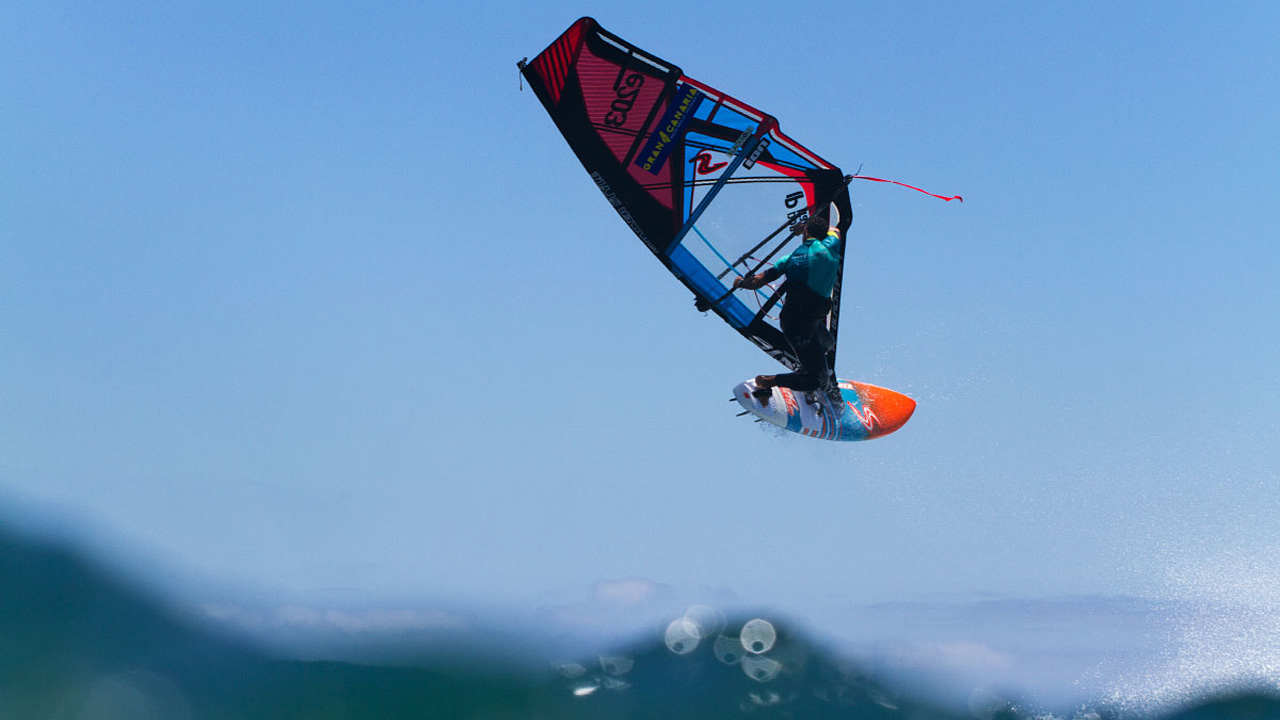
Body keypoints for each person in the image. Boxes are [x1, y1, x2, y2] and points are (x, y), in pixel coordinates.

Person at [733, 213, 843, 407]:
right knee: (818, 381)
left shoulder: (789, 259)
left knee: (827, 342)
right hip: (799, 326)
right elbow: (836, 230)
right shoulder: (832, 246)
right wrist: (805, 226)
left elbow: (757, 282)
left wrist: (741, 282)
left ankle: (805, 372)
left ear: (806, 233)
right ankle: (767, 382)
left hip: (801, 321)